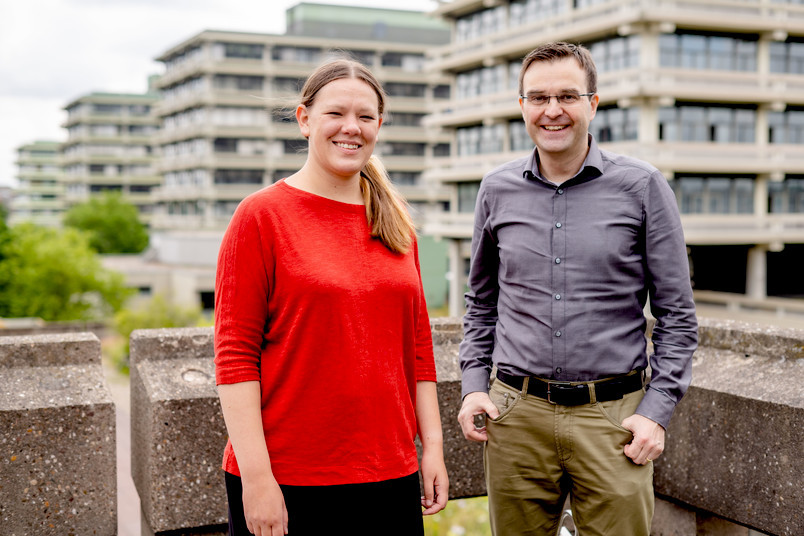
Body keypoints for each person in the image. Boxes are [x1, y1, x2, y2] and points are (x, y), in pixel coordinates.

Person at [457, 42, 698, 535]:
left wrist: (656, 412)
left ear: (592, 102)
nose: (552, 110)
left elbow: (677, 314)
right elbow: (482, 304)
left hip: (612, 420)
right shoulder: (495, 189)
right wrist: (473, 387)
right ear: (521, 105)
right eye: (538, 97)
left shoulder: (643, 186)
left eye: (567, 96)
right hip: (516, 416)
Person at [214, 58, 448, 536]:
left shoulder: (396, 222)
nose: (351, 128)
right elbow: (235, 357)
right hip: (290, 477)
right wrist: (258, 480)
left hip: (390, 473)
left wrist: (434, 451)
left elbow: (419, 351)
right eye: (335, 113)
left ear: (379, 125)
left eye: (366, 116)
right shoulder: (261, 216)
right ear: (304, 120)